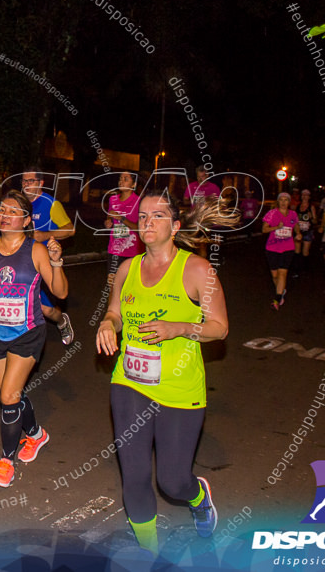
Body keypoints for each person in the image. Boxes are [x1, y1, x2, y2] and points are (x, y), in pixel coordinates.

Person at [95, 188, 236, 555]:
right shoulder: (127, 268)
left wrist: (179, 327)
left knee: (172, 482)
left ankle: (198, 495)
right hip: (129, 381)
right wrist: (108, 325)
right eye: (142, 216)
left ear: (175, 226)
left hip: (179, 387)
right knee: (135, 475)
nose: (146, 222)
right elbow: (114, 313)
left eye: (156, 216)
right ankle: (149, 553)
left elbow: (219, 327)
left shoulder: (197, 270)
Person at [0, 191, 67, 488]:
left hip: (28, 333)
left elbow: (60, 292)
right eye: (2, 209)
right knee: (12, 394)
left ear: (25, 220)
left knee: (8, 396)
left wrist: (57, 261)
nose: (4, 215)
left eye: (12, 211)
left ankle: (6, 463)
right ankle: (36, 434)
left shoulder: (35, 250)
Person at [21, 168, 75, 346]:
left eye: (31, 181)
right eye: (24, 181)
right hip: (23, 261)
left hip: (45, 262)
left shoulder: (50, 203)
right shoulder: (20, 204)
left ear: (40, 183)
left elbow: (70, 229)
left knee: (47, 309)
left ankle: (62, 322)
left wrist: (44, 236)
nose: (26, 184)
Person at [103, 170, 142, 299]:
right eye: (120, 178)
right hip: (114, 250)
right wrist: (108, 222)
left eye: (126, 179)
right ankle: (111, 317)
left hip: (131, 252)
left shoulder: (138, 202)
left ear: (133, 184)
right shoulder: (113, 199)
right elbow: (109, 217)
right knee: (112, 285)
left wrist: (122, 219)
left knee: (128, 288)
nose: (121, 181)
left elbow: (140, 229)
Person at [262, 192, 298, 310]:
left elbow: (296, 225)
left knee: (283, 273)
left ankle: (277, 298)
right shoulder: (272, 213)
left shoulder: (293, 214)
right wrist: (276, 227)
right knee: (275, 275)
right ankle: (281, 290)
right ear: (278, 202)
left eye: (286, 200)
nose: (283, 202)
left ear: (289, 202)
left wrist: (299, 234)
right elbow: (264, 229)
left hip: (288, 248)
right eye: (281, 200)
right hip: (272, 248)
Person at [292, 189, 318, 277]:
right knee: (297, 251)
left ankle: (304, 269)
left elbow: (315, 222)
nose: (304, 197)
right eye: (303, 195)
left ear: (309, 197)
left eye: (306, 195)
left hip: (308, 232)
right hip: (299, 231)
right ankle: (296, 270)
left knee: (305, 252)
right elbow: (295, 219)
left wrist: (311, 217)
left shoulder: (311, 207)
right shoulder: (298, 206)